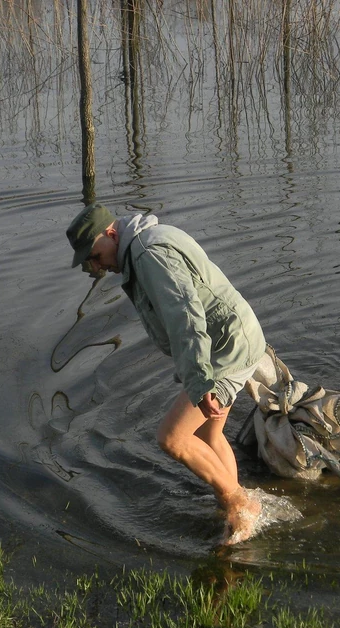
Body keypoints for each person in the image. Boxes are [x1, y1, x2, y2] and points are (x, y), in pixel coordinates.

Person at [66, 203, 267, 544]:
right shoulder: (143, 246)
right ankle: (235, 514)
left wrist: (200, 381)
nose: (97, 267)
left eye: (96, 256)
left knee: (171, 438)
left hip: (224, 349)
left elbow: (186, 318)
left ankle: (240, 504)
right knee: (207, 437)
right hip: (234, 338)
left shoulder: (147, 256)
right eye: (90, 262)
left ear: (112, 234)